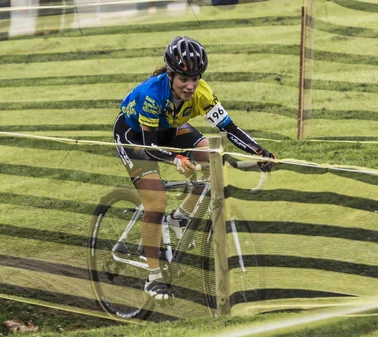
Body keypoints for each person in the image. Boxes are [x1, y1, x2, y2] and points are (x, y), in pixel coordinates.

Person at [114, 36, 275, 302]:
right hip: (135, 135)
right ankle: (154, 276)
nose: (190, 86)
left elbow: (229, 129)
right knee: (155, 203)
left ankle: (180, 217)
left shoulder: (202, 93)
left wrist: (258, 151)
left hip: (169, 128)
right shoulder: (151, 94)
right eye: (183, 80)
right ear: (170, 74)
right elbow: (151, 147)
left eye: (196, 78)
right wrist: (176, 159)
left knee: (212, 157)